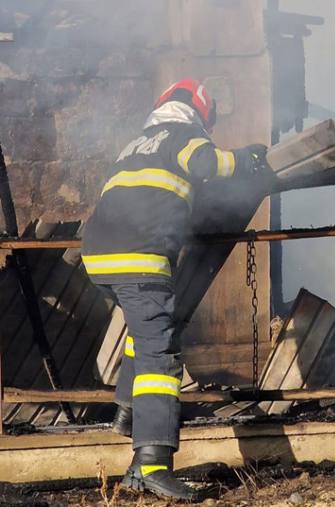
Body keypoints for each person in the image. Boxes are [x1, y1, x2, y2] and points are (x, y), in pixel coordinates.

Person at [81, 79, 268, 500]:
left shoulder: (137, 143)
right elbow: (206, 165)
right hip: (139, 258)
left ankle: (127, 410)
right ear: (200, 111)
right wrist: (245, 160)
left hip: (99, 258)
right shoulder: (185, 135)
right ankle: (152, 464)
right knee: (160, 358)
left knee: (144, 333)